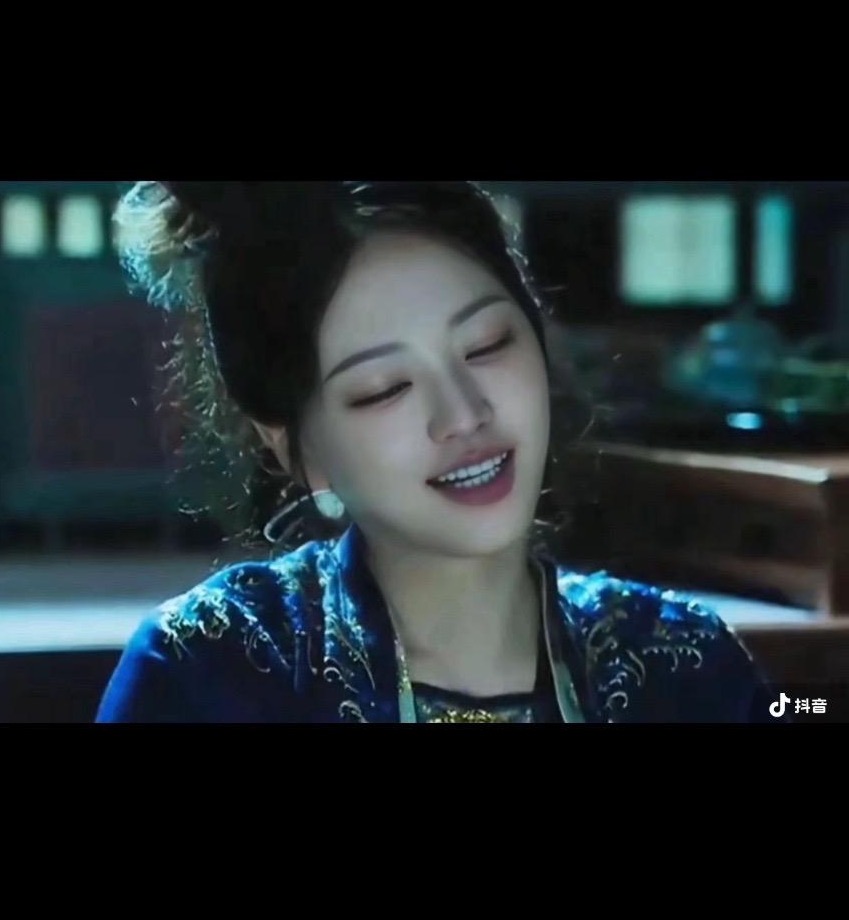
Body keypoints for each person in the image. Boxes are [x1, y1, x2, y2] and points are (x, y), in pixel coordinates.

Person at [97, 181, 773, 724]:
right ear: (297, 450)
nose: (463, 414)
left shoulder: (686, 665)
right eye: (385, 389)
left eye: (486, 346)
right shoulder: (209, 673)